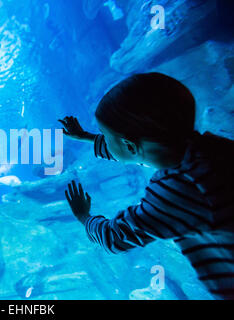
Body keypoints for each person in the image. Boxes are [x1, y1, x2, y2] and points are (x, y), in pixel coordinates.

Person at [59, 72, 234, 300]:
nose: (104, 138)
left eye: (105, 134)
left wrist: (84, 217)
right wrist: (86, 137)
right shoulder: (210, 148)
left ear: (130, 145)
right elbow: (135, 149)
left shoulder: (178, 189)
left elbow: (116, 237)